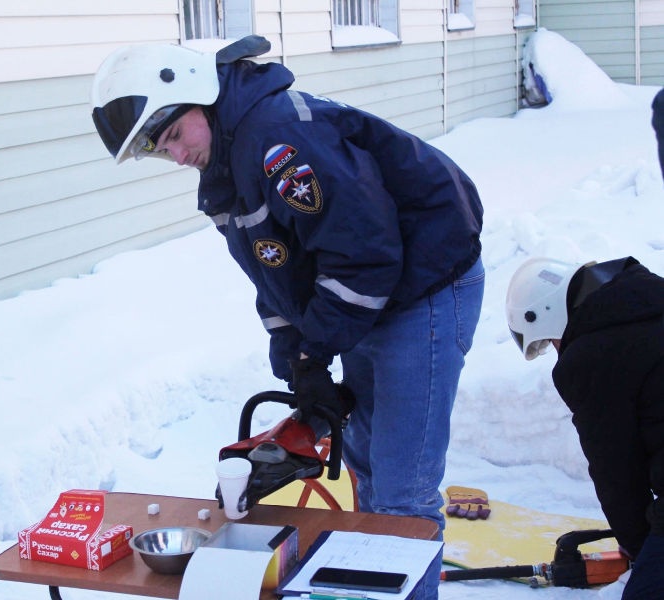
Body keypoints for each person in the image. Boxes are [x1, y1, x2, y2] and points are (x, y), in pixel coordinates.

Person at [91, 36, 485, 598]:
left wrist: (316, 347)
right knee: (368, 472)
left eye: (175, 135)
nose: (176, 156)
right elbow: (277, 276)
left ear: (200, 98)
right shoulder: (226, 169)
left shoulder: (279, 139)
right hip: (373, 295)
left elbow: (364, 256)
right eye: (161, 149)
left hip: (423, 286)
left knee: (402, 494)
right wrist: (298, 363)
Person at [506, 256, 664, 599]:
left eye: (549, 341)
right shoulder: (648, 298)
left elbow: (618, 474)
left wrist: (641, 551)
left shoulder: (589, 359)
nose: (556, 350)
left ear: (548, 315)